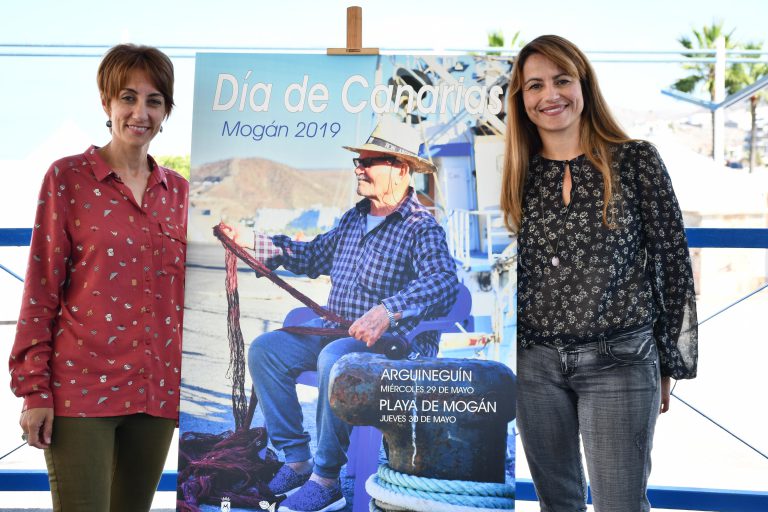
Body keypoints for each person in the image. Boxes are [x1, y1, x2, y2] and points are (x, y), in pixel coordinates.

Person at [500, 35, 698, 512]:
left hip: (622, 361)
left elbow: (673, 263)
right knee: (558, 505)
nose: (550, 95)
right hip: (532, 367)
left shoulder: (636, 161)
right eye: (535, 86)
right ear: (521, 99)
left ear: (584, 85)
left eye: (562, 80)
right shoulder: (510, 173)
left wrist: (669, 361)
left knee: (620, 505)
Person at [9, 44, 188, 512]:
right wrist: (34, 390)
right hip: (80, 392)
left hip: (157, 393)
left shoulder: (184, 193)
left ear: (167, 111)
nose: (140, 112)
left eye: (154, 101)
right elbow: (40, 290)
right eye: (128, 97)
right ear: (106, 104)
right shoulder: (67, 178)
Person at [247, 116, 458, 512]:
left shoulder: (420, 227)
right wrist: (255, 244)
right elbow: (310, 255)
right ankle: (296, 460)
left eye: (370, 160)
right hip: (334, 333)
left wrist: (388, 311)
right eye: (357, 161)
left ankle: (326, 478)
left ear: (401, 169)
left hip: (393, 347)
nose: (359, 168)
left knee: (336, 358)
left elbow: (445, 281)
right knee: (265, 350)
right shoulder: (353, 218)